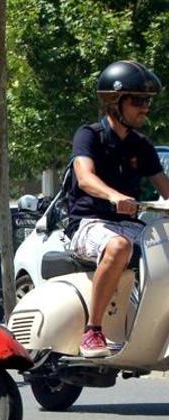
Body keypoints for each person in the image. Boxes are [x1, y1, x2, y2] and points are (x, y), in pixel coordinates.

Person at [66, 60, 167, 358]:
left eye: (147, 100)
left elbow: (164, 185)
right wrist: (113, 197)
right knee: (119, 246)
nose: (145, 108)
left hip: (130, 225)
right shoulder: (90, 135)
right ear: (114, 101)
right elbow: (85, 177)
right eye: (138, 100)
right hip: (88, 224)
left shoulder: (141, 145)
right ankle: (93, 331)